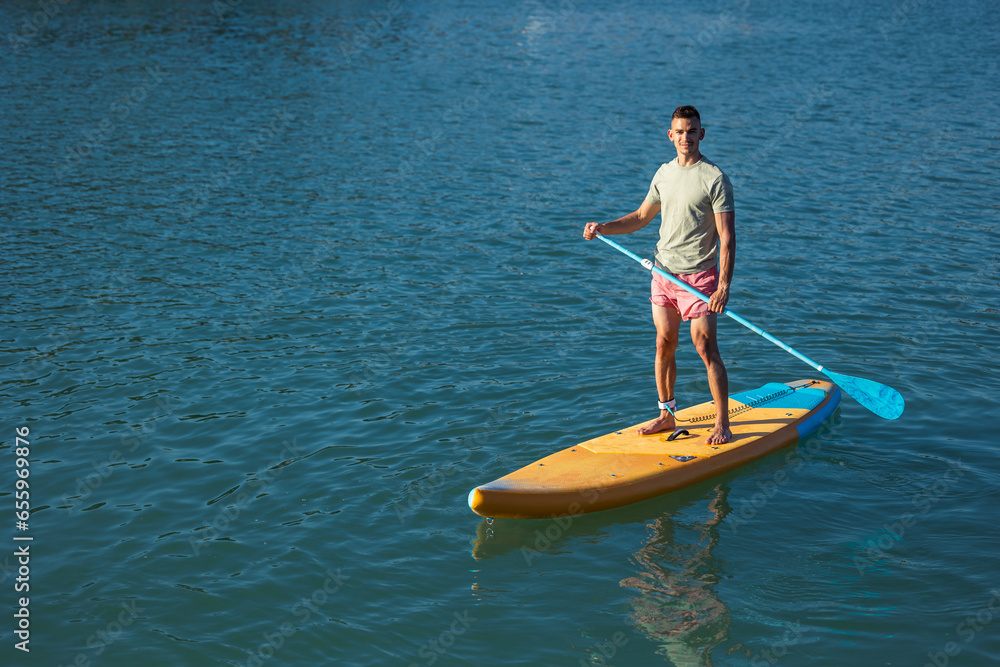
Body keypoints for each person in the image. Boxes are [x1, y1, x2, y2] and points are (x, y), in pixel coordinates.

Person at [583, 105, 735, 444]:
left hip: (700, 278)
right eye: (680, 131)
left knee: (705, 347)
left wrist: (723, 285)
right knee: (664, 343)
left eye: (692, 131)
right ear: (671, 135)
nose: (686, 137)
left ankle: (722, 423)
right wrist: (603, 227)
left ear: (702, 134)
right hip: (664, 273)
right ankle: (666, 414)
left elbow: (727, 237)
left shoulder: (715, 178)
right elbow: (639, 217)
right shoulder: (664, 173)